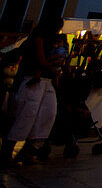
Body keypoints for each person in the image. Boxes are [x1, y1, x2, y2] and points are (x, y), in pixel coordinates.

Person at [1, 17, 63, 167]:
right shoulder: (38, 38)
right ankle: (7, 153)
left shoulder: (54, 40)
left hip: (46, 80)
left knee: (47, 115)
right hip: (33, 80)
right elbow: (41, 60)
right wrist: (51, 64)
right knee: (26, 116)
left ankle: (29, 150)